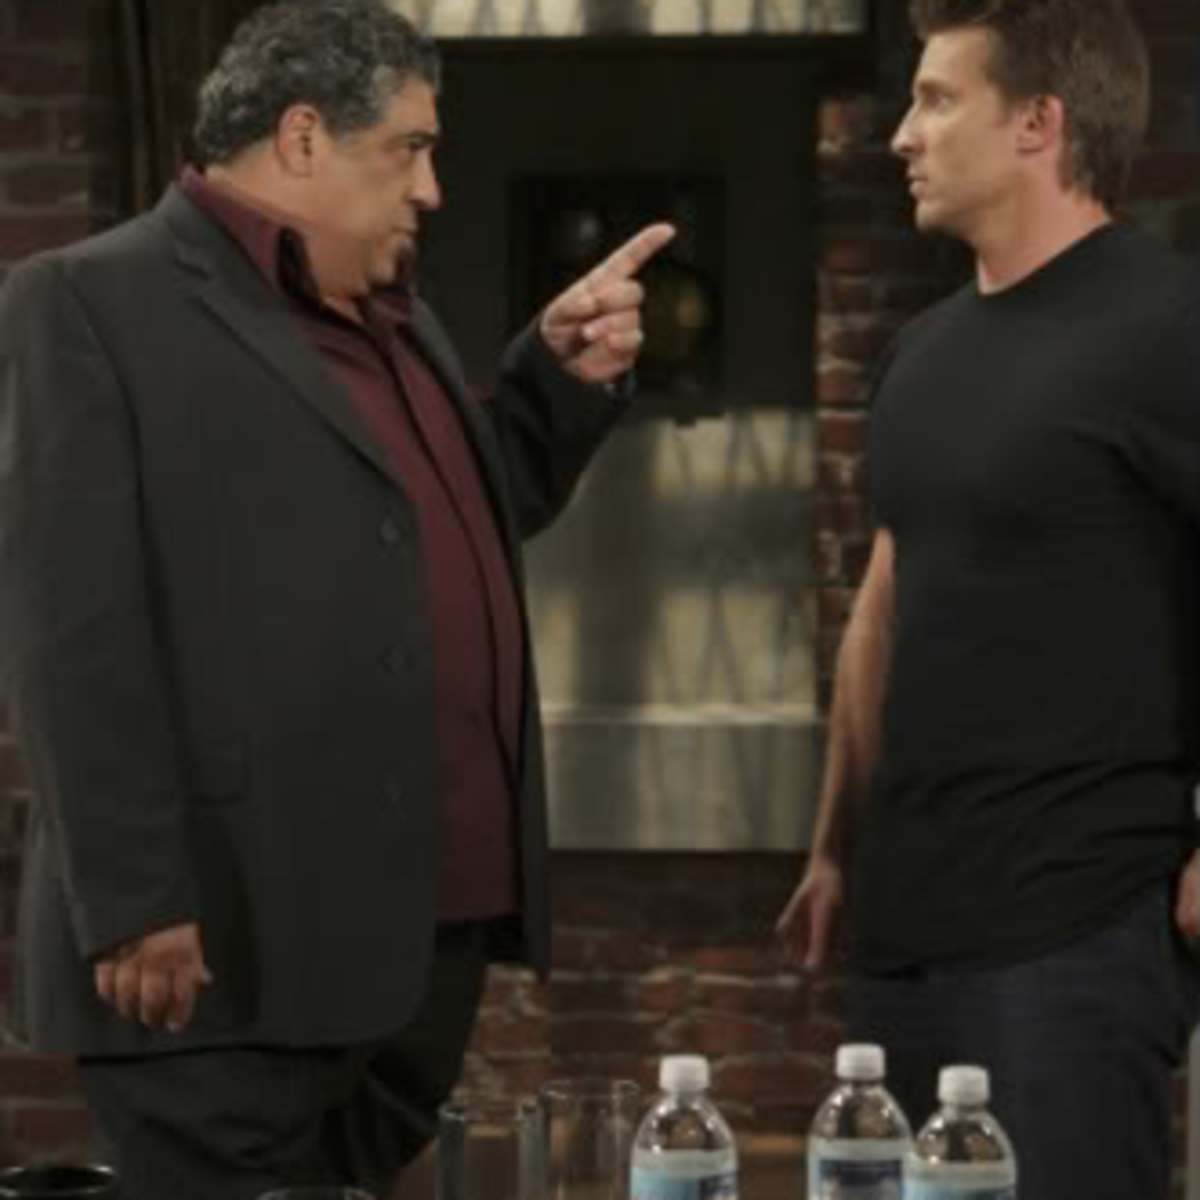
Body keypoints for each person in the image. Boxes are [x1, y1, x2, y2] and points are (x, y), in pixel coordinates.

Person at [0, 2, 672, 1197]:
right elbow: (68, 628)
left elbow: (426, 526)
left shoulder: (390, 316)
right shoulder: (88, 303)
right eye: (408, 148)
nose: (431, 189)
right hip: (228, 953)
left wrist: (551, 384)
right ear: (302, 136)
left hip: (410, 949)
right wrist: (134, 901)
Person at [776, 1, 1200, 1196]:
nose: (901, 135)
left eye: (936, 99)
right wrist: (835, 847)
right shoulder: (922, 352)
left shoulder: (1169, 324)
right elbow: (886, 598)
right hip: (905, 930)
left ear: (1037, 124)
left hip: (1077, 930)